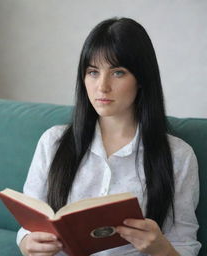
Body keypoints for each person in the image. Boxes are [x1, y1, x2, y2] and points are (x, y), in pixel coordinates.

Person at [16, 17, 201, 256]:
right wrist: (27, 243)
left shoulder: (178, 156)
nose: (102, 86)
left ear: (142, 79)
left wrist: (161, 249)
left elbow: (185, 245)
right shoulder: (53, 142)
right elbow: (28, 226)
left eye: (118, 72)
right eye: (93, 72)